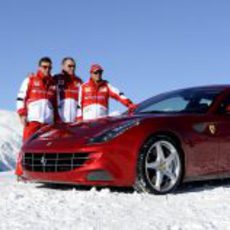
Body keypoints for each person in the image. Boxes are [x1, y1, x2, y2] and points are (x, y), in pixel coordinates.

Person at [15, 57, 57, 178]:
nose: (47, 69)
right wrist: (22, 114)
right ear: (39, 67)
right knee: (27, 145)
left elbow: (55, 103)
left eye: (49, 67)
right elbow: (20, 98)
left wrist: (56, 120)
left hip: (48, 122)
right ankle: (20, 172)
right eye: (44, 67)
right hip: (33, 119)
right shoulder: (30, 79)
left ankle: (41, 172)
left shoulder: (53, 83)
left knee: (46, 148)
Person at [54, 57, 83, 123]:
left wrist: (79, 117)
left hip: (74, 121)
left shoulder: (79, 81)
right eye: (69, 66)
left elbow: (81, 102)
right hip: (59, 120)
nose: (72, 68)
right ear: (63, 66)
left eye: (74, 66)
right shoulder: (56, 78)